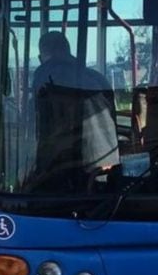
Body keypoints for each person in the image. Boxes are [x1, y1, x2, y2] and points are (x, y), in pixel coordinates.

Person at [28, 32, 119, 190]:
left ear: (42, 55)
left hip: (67, 168)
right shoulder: (97, 78)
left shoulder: (45, 76)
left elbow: (37, 127)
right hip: (108, 165)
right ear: (68, 50)